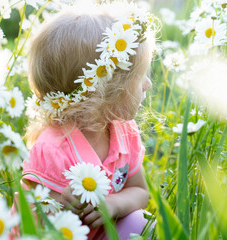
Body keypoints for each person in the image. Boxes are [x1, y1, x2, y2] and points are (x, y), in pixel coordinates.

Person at [22, 1, 156, 239]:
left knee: (141, 223)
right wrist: (61, 201)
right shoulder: (53, 148)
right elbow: (31, 207)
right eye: (138, 77)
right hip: (55, 234)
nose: (148, 84)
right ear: (105, 90)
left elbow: (140, 192)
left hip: (101, 232)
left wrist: (113, 204)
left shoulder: (125, 132)